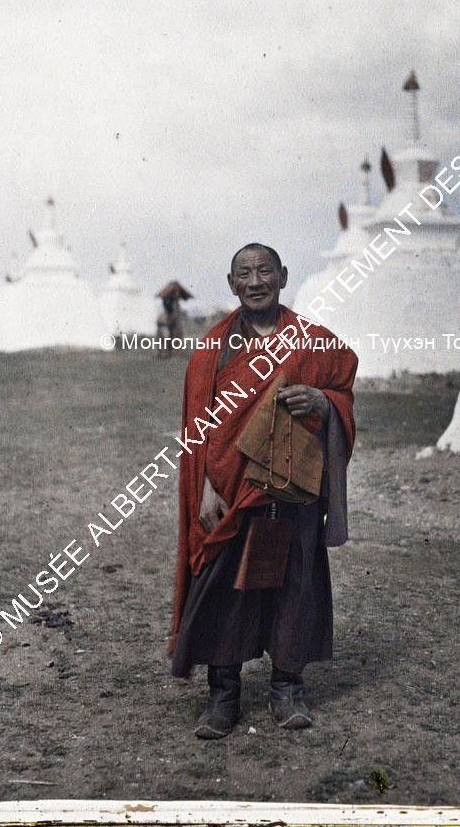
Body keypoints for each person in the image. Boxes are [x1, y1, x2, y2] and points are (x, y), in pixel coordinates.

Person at [168, 243, 358, 738]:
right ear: (232, 284)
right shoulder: (213, 351)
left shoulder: (313, 341)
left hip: (293, 484)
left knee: (296, 579)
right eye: (245, 274)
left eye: (265, 271)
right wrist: (206, 488)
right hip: (231, 488)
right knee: (224, 586)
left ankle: (287, 688)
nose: (256, 281)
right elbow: (196, 430)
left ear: (283, 277)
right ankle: (222, 694)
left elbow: (342, 385)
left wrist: (322, 399)